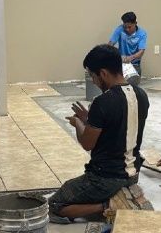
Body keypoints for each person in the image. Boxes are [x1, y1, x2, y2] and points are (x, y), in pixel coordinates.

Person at [48, 44, 150, 223]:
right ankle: (120, 194)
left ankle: (109, 205)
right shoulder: (141, 95)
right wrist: (90, 120)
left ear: (103, 73)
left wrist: (78, 123)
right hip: (132, 173)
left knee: (54, 204)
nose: (93, 82)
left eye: (92, 76)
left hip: (106, 177)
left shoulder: (102, 101)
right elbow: (120, 125)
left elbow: (87, 143)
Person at [108, 11, 147, 76]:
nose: (127, 29)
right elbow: (110, 44)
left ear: (135, 23)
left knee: (134, 80)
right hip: (121, 63)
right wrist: (115, 56)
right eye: (125, 27)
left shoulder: (142, 33)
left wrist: (129, 58)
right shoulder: (120, 29)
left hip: (135, 63)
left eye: (129, 27)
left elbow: (141, 52)